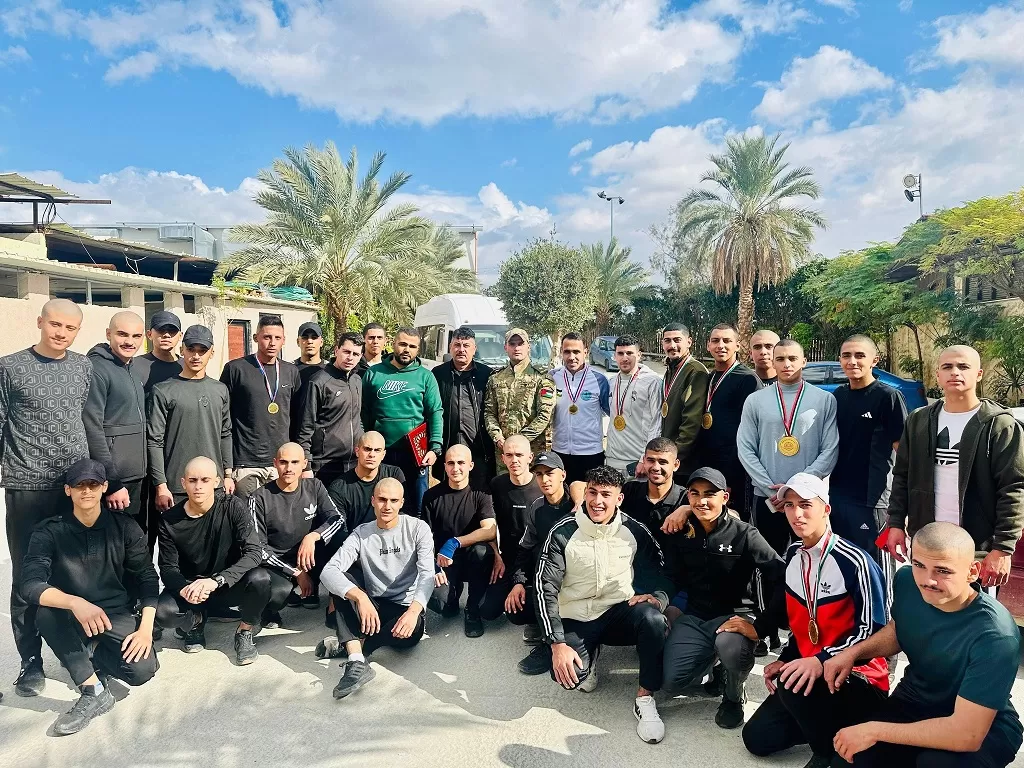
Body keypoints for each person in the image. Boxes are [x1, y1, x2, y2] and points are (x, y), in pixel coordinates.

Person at [828, 522, 1022, 768]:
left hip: (982, 725)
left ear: (972, 571)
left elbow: (967, 735)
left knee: (936, 763)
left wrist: (874, 730)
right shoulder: (907, 581)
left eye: (943, 570)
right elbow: (900, 629)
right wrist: (853, 653)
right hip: (914, 702)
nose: (927, 580)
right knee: (851, 759)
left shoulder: (996, 634)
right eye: (919, 565)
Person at [742, 473, 889, 768]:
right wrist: (786, 659)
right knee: (757, 738)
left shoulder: (856, 561)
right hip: (816, 674)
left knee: (791, 684)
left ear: (826, 509)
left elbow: (874, 631)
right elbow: (801, 624)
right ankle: (835, 727)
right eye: (789, 505)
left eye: (806, 504)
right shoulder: (793, 555)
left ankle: (827, 752)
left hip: (860, 677)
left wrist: (820, 661)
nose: (796, 514)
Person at [20, 459, 159, 735]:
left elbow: (147, 577)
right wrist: (75, 602)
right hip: (72, 614)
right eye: (79, 485)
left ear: (104, 487)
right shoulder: (48, 531)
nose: (86, 491)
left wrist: (145, 629)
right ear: (68, 490)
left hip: (114, 613)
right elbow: (30, 584)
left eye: (93, 484)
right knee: (45, 612)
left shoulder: (125, 527)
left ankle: (87, 652)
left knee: (142, 670)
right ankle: (92, 689)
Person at [537, 465, 672, 743]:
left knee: (653, 620)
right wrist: (556, 643)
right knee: (569, 677)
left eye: (606, 495)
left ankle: (645, 698)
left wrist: (657, 597)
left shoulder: (634, 530)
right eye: (592, 492)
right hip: (576, 616)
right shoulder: (563, 531)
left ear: (619, 499)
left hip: (617, 612)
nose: (597, 501)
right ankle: (589, 655)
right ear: (585, 493)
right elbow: (544, 587)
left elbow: (661, 571)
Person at [2, 298, 92, 697]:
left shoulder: (83, 367)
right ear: (40, 322)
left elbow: (84, 420)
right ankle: (30, 662)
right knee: (28, 574)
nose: (61, 333)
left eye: (70, 328)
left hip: (73, 488)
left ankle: (78, 653)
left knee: (75, 571)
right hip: (27, 487)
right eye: (55, 324)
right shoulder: (10, 367)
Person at [886, 344, 1024, 592]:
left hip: (977, 549)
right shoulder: (918, 420)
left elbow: (1013, 487)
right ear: (938, 375)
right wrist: (895, 523)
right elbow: (902, 476)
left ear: (978, 374)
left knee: (974, 612)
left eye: (963, 366)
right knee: (928, 609)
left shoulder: (1000, 425)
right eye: (947, 367)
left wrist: (1003, 548)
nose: (955, 372)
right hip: (927, 542)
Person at [659, 467, 784, 730]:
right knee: (671, 683)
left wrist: (761, 626)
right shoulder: (681, 531)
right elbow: (671, 577)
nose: (702, 501)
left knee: (731, 647)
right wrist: (657, 598)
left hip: (734, 616)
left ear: (725, 497)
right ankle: (717, 665)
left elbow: (781, 576)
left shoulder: (745, 534)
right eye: (695, 494)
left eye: (710, 494)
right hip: (695, 616)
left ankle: (733, 696)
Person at [737, 338, 839, 652]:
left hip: (808, 501)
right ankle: (765, 630)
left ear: (804, 361)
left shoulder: (824, 400)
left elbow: (830, 449)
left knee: (811, 565)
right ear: (772, 361)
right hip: (767, 498)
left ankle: (803, 632)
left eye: (793, 358)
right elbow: (745, 448)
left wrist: (796, 489)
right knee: (768, 565)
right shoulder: (756, 400)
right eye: (780, 358)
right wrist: (772, 488)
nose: (786, 364)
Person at [317, 477, 434, 698]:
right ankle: (356, 662)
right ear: (373, 501)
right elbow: (328, 572)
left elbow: (428, 574)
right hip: (373, 606)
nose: (387, 506)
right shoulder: (361, 533)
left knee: (408, 635)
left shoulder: (418, 528)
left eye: (393, 501)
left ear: (402, 503)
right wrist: (360, 598)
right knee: (343, 582)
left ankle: (350, 643)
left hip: (405, 611)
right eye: (382, 499)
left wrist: (414, 612)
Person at [155, 456, 269, 666]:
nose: (198, 486)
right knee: (163, 613)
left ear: (217, 481)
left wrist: (217, 580)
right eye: (193, 480)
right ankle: (196, 621)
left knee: (261, 579)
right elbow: (168, 568)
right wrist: (184, 590)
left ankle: (245, 631)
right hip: (192, 589)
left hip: (226, 584)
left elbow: (254, 552)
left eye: (205, 480)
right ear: (183, 483)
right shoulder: (169, 520)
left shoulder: (232, 506)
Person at [830, 335, 906, 577]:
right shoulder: (839, 396)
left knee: (875, 569)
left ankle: (882, 605)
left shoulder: (888, 396)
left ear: (875, 360)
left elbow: (904, 453)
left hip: (872, 500)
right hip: (838, 497)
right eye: (846, 355)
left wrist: (902, 504)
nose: (852, 361)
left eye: (860, 355)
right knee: (844, 566)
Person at [250, 443, 345, 624]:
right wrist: (296, 573)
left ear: (304, 464)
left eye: (295, 462)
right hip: (278, 563)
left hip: (309, 557)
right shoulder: (259, 497)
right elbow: (258, 548)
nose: (289, 468)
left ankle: (334, 606)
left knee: (341, 541)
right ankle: (269, 609)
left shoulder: (315, 486)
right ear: (275, 463)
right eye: (283, 462)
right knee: (278, 592)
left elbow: (337, 519)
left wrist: (313, 536)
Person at [148, 324, 234, 510]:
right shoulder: (163, 390)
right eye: (191, 349)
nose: (196, 356)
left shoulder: (220, 390)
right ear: (182, 350)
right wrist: (161, 485)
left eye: (202, 350)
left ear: (211, 353)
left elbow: (225, 433)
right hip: (177, 486)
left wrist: (228, 475)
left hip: (213, 484)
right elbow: (154, 441)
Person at [362, 327, 442, 514]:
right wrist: (364, 443)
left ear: (418, 349)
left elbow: (435, 412)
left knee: (418, 506)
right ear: (393, 344)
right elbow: (363, 412)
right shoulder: (374, 374)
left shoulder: (425, 376)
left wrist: (435, 447)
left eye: (412, 346)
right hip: (381, 453)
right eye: (403, 344)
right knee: (382, 503)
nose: (407, 349)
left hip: (415, 453)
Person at [220, 315, 302, 497]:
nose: (272, 343)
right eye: (267, 337)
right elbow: (223, 418)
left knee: (278, 512)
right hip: (246, 462)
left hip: (281, 462)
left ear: (284, 340)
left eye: (277, 338)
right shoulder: (235, 369)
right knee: (247, 512)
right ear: (256, 338)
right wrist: (227, 468)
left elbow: (297, 417)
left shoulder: (291, 371)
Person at [509, 451, 574, 675]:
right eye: (539, 474)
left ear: (563, 475)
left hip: (577, 578)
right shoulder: (536, 506)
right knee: (515, 610)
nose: (544, 479)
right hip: (548, 578)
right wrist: (518, 582)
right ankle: (541, 624)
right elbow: (526, 547)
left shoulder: (579, 503)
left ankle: (550, 643)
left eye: (549, 473)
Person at [423, 445, 498, 637]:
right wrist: (433, 567)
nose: (455, 468)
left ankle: (472, 609)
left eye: (461, 463)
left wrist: (455, 542)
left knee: (482, 552)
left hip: (473, 559)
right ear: (445, 466)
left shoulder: (481, 493)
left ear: (471, 465)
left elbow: (490, 530)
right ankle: (453, 596)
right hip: (445, 561)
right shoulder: (431, 496)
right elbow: (424, 538)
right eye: (451, 463)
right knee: (441, 605)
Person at [83, 311, 148, 528]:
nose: (130, 341)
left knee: (135, 541)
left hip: (136, 476)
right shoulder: (98, 369)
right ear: (108, 334)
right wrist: (111, 483)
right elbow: (92, 428)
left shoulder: (131, 368)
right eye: (122, 334)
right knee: (113, 542)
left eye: (136, 336)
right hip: (116, 481)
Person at [694, 323, 762, 521]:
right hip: (708, 465)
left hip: (733, 471)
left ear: (737, 345)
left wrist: (729, 478)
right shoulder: (708, 378)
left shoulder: (748, 379)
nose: (721, 345)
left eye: (727, 341)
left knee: (734, 523)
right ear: (708, 345)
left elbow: (748, 433)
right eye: (715, 341)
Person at [482, 435, 542, 621]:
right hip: (508, 560)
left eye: (519, 455)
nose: (514, 460)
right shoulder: (497, 485)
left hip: (536, 559)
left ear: (530, 457)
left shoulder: (543, 485)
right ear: (503, 458)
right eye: (509, 455)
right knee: (488, 611)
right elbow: (487, 523)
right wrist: (495, 554)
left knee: (518, 612)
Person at [296, 331, 364, 488]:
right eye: (346, 352)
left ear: (360, 356)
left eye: (355, 354)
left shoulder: (357, 380)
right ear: (336, 350)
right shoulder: (319, 382)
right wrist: (306, 467)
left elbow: (356, 417)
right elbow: (305, 427)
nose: (350, 358)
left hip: (354, 464)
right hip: (324, 466)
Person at [483, 327, 556, 472]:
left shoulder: (541, 377)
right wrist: (497, 437)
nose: (516, 348)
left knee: (533, 486)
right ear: (505, 347)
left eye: (521, 344)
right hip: (504, 453)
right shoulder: (495, 378)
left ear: (528, 346)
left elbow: (545, 415)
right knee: (504, 485)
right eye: (512, 344)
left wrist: (520, 441)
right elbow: (489, 413)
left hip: (532, 451)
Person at [432, 326, 495, 489]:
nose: (461, 350)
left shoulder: (487, 374)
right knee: (448, 490)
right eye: (457, 345)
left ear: (474, 349)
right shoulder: (438, 374)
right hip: (448, 444)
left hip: (479, 447)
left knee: (479, 490)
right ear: (450, 347)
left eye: (466, 345)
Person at [551, 332, 610, 483]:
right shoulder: (552, 377)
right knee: (562, 495)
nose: (572, 357)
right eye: (567, 352)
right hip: (560, 451)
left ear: (585, 352)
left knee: (589, 495)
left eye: (576, 352)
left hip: (591, 453)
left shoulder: (599, 380)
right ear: (561, 352)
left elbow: (612, 412)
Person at [327, 431, 406, 534]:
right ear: (357, 451)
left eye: (377, 450)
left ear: (383, 454)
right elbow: (340, 530)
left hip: (391, 536)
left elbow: (404, 513)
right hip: (356, 540)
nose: (372, 454)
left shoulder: (394, 475)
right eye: (367, 449)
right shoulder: (339, 488)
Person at [604, 335, 662, 476]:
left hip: (637, 461)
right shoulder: (612, 381)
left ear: (639, 355)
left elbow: (657, 423)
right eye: (620, 353)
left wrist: (645, 458)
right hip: (612, 459)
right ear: (614, 356)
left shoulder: (652, 381)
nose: (625, 358)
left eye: (629, 353)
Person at [660, 323, 709, 482]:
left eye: (677, 340)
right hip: (669, 457)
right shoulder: (670, 368)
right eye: (667, 341)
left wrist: (673, 457)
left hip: (682, 462)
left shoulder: (696, 371)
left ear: (689, 342)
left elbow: (692, 421)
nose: (672, 345)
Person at [134, 310, 183, 392]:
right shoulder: (135, 366)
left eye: (172, 330)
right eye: (161, 330)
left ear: (180, 336)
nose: (166, 335)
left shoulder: (187, 366)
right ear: (149, 334)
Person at [293, 320, 326, 401]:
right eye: (305, 337)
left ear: (321, 342)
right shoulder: (290, 370)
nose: (310, 341)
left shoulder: (329, 369)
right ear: (298, 342)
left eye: (314, 338)